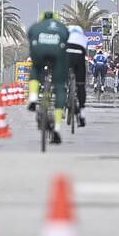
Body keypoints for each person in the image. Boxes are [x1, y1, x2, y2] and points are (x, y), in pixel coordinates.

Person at [26, 11, 69, 143]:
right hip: (57, 53)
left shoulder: (37, 26)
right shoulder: (61, 27)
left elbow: (29, 36)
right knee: (60, 85)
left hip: (39, 51)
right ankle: (56, 128)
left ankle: (33, 98)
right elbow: (66, 39)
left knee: (35, 68)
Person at [65, 24, 88, 127]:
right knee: (81, 84)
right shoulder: (83, 38)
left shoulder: (65, 36)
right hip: (79, 56)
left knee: (61, 79)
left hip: (66, 55)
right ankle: (82, 114)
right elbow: (84, 53)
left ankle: (63, 93)